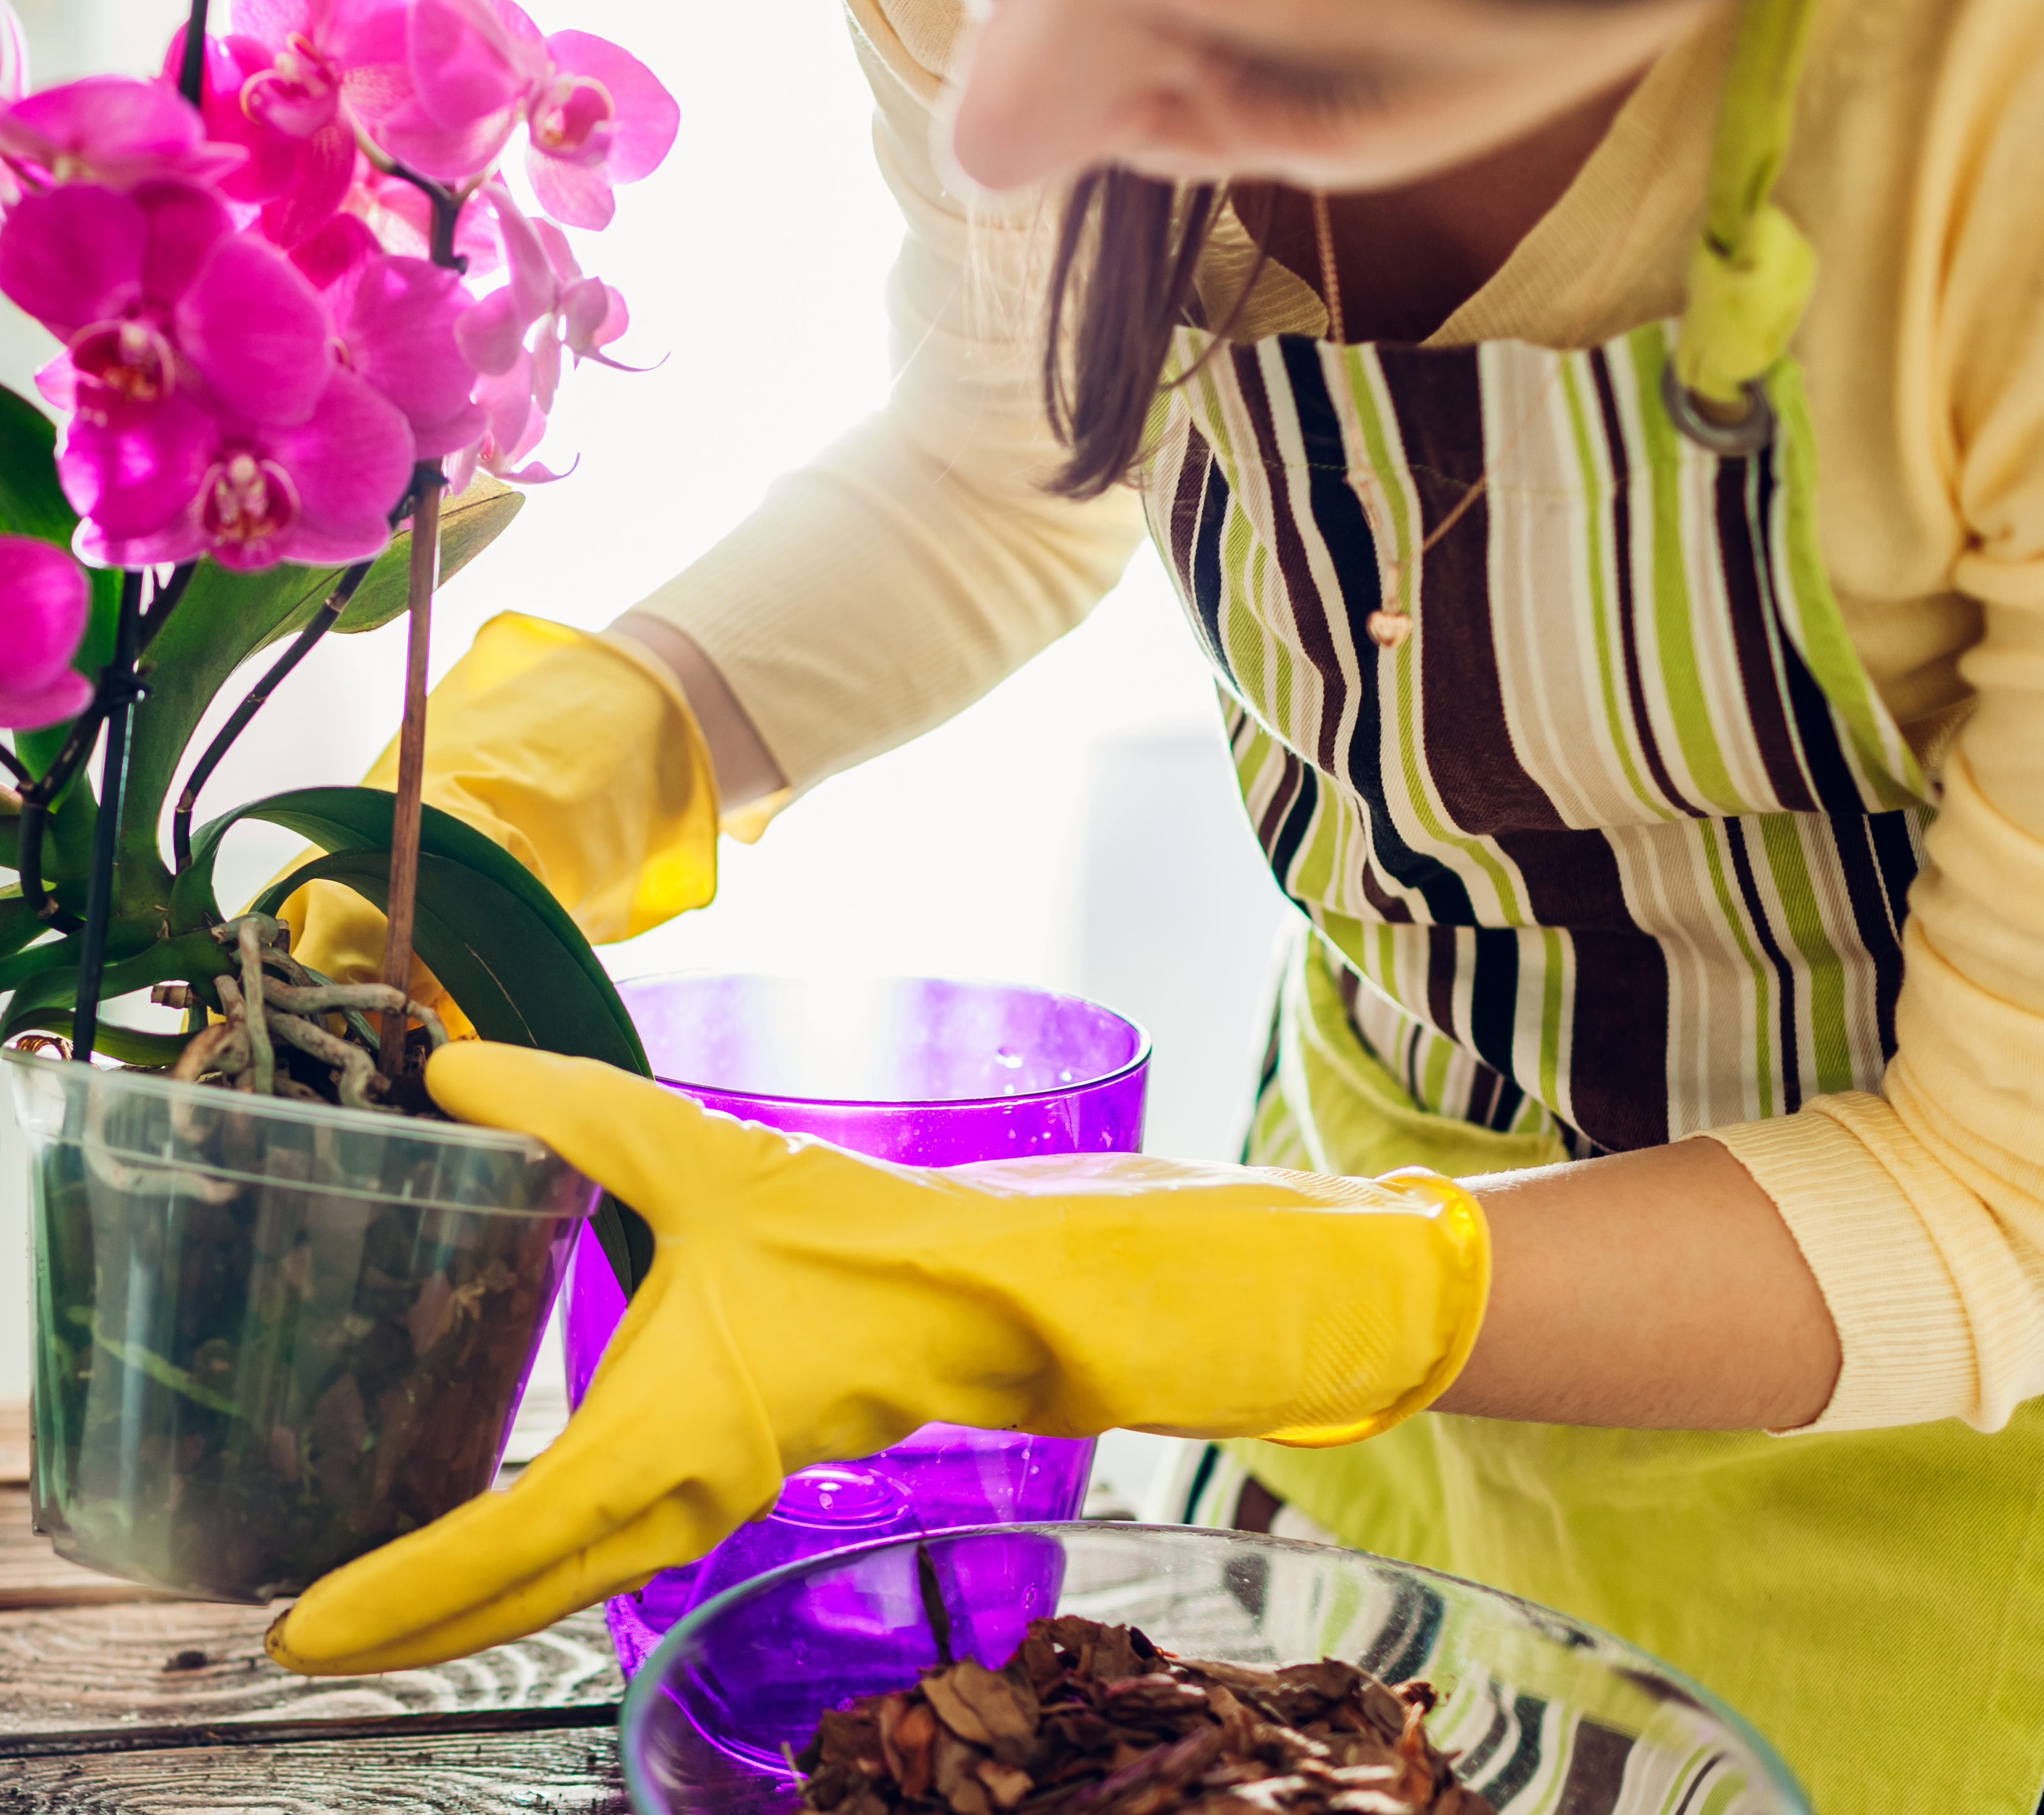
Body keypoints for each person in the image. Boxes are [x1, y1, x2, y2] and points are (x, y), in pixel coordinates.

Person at [256, 0, 2044, 1803]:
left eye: (1213, 28)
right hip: (1350, 1358)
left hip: (1919, 1507)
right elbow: (1000, 453)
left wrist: (1149, 1284)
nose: (1003, 114)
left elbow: (1996, 1199)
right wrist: (549, 782)